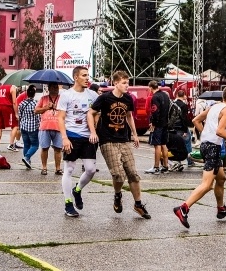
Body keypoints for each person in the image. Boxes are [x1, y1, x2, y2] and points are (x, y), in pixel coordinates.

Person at [173, 86, 226, 229]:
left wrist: (206, 135)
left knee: (221, 178)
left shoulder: (215, 106)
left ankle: (221, 209)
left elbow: (196, 120)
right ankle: (183, 208)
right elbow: (220, 131)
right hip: (212, 148)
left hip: (205, 145)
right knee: (207, 185)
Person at [89, 70, 150, 219]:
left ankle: (138, 204)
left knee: (133, 173)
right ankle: (117, 195)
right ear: (115, 83)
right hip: (107, 140)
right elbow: (90, 113)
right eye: (124, 83)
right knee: (118, 174)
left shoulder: (128, 99)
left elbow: (129, 116)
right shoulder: (104, 98)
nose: (126, 85)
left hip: (123, 139)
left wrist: (135, 134)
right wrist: (93, 132)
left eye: (127, 83)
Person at [57, 66, 99, 217]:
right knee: (68, 169)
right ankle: (68, 203)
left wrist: (95, 128)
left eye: (88, 75)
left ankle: (77, 190)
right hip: (72, 135)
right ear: (76, 77)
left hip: (88, 137)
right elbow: (60, 118)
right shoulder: (66, 95)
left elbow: (96, 114)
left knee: (90, 170)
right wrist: (64, 138)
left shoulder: (93, 95)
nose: (87, 78)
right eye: (84, 75)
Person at [35, 83, 63, 176]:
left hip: (58, 127)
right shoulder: (43, 98)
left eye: (56, 87)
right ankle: (44, 168)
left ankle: (58, 168)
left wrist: (57, 108)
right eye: (53, 87)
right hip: (45, 127)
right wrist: (47, 107)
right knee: (44, 148)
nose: (55, 89)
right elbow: (36, 111)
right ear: (49, 88)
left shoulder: (62, 99)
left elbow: (67, 111)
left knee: (58, 149)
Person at [144, 80, 171, 174]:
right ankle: (165, 166)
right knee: (164, 144)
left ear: (151, 87)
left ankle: (156, 167)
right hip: (165, 123)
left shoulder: (155, 97)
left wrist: (153, 123)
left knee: (157, 145)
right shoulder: (165, 95)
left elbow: (155, 111)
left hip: (158, 124)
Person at [170, 89, 195, 168]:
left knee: (177, 145)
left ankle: (178, 161)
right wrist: (185, 130)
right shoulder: (184, 106)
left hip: (174, 127)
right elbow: (184, 118)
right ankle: (190, 161)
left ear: (177, 95)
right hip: (181, 127)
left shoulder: (173, 104)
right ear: (184, 96)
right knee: (187, 144)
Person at [18, 85, 40, 169]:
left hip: (23, 126)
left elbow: (20, 116)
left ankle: (27, 161)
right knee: (35, 145)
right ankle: (27, 157)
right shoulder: (36, 103)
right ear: (34, 94)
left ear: (27, 94)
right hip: (33, 127)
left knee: (26, 145)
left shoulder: (22, 103)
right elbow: (38, 116)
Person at [0, 82, 19, 152]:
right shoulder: (12, 88)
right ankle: (11, 144)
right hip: (8, 107)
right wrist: (16, 113)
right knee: (15, 125)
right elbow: (14, 102)